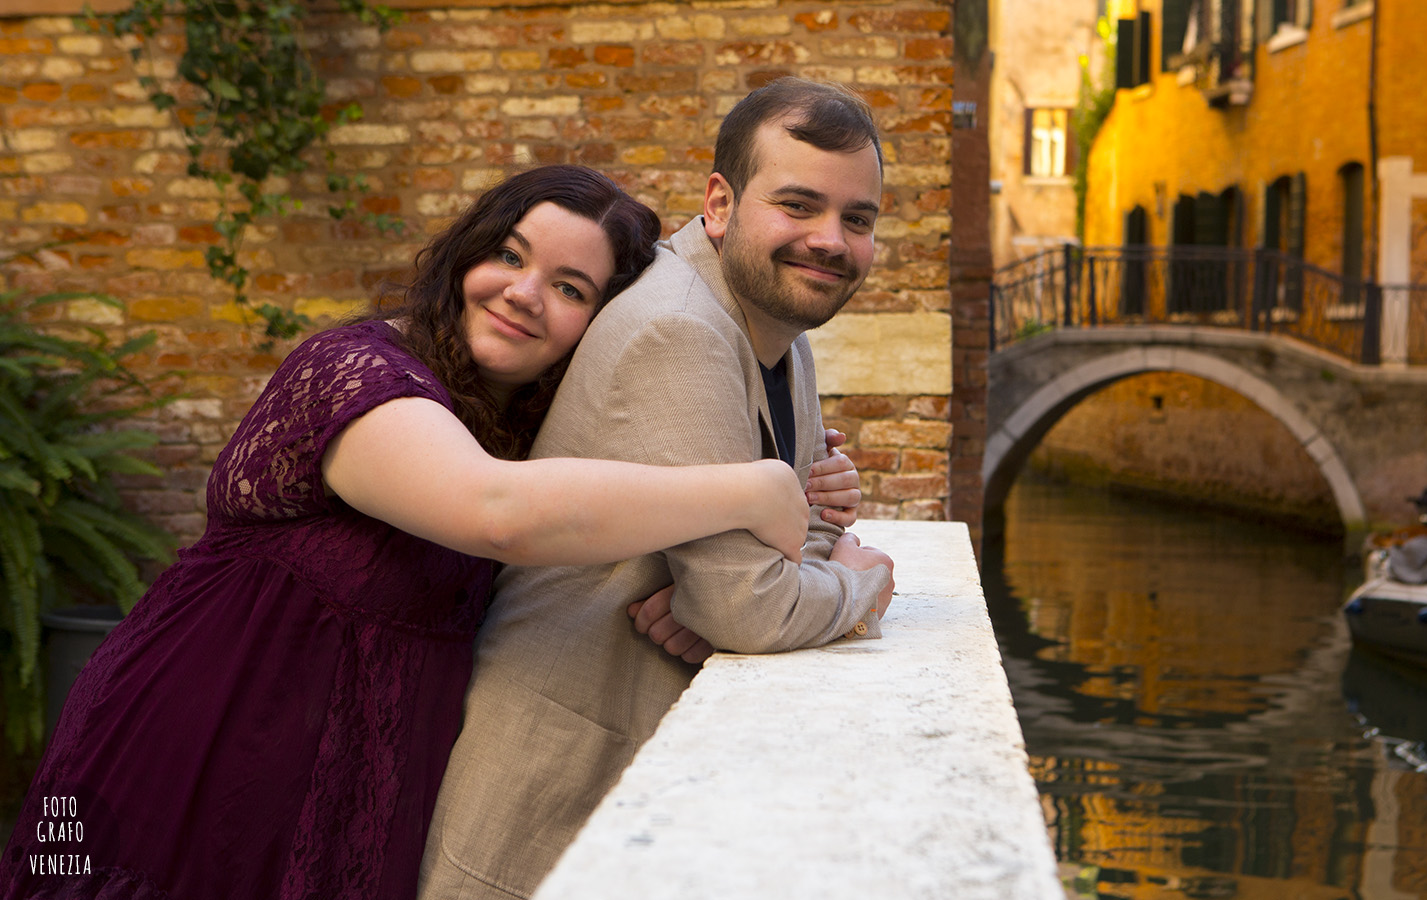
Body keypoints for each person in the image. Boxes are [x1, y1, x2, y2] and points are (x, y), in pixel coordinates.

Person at [0, 165, 861, 900]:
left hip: (359, 777)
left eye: (570, 289)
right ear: (465, 254)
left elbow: (599, 500)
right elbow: (497, 513)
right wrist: (752, 488)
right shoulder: (358, 373)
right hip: (202, 743)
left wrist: (707, 575)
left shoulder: (514, 423)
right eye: (509, 255)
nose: (524, 295)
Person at [419, 78, 897, 899]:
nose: (829, 240)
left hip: (632, 785)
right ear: (720, 202)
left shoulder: (778, 324)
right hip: (552, 784)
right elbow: (750, 605)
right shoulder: (683, 330)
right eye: (798, 205)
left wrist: (761, 579)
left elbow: (796, 533)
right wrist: (860, 585)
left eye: (857, 219)